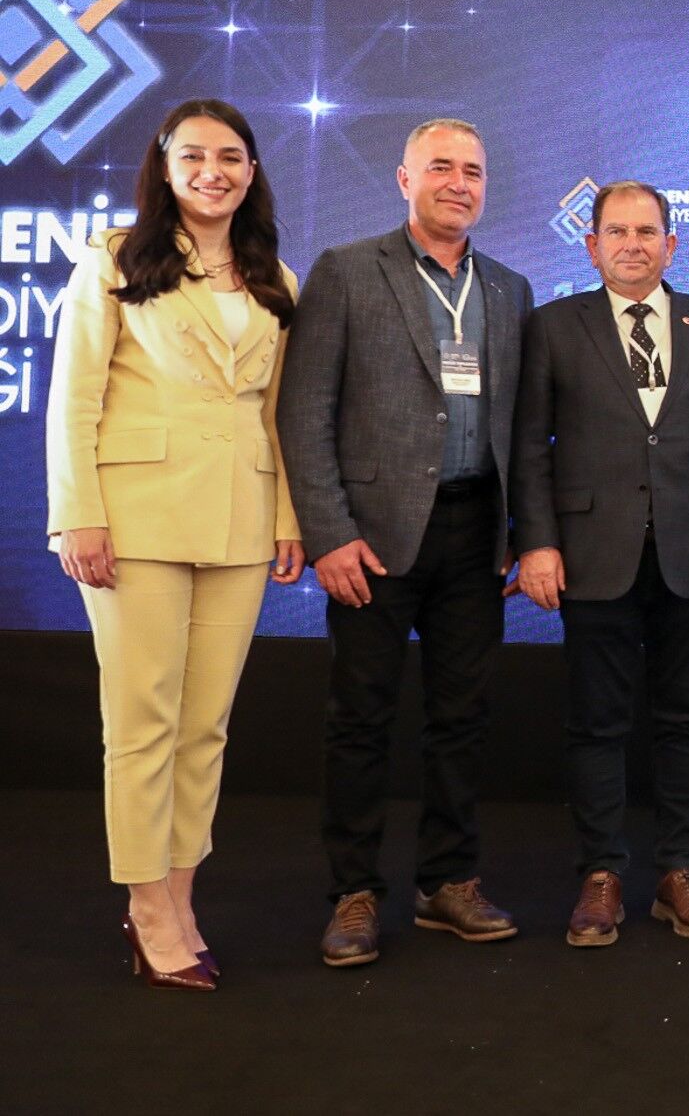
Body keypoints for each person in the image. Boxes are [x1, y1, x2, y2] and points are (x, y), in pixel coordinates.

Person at [47, 99, 304, 990]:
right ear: (163, 167)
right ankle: (147, 906)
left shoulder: (274, 274)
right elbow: (74, 397)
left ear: (251, 171)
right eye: (192, 156)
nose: (212, 172)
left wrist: (287, 518)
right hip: (134, 515)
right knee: (142, 723)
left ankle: (181, 897)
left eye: (229, 157)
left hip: (241, 515)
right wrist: (77, 513)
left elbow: (276, 412)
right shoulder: (115, 258)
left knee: (205, 726)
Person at [277, 118, 534, 967]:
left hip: (476, 535)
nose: (459, 183)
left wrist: (522, 532)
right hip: (374, 539)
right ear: (403, 179)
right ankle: (353, 893)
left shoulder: (509, 289)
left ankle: (447, 882)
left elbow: (524, 425)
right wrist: (328, 535)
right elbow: (304, 411)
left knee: (462, 719)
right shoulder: (348, 271)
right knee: (361, 719)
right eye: (441, 168)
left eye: (473, 170)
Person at [510, 181, 689, 945]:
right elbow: (529, 445)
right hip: (592, 553)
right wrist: (536, 541)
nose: (633, 244)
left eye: (647, 232)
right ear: (591, 246)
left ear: (671, 245)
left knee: (688, 718)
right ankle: (601, 874)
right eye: (617, 232)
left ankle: (680, 871)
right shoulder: (554, 326)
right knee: (598, 722)